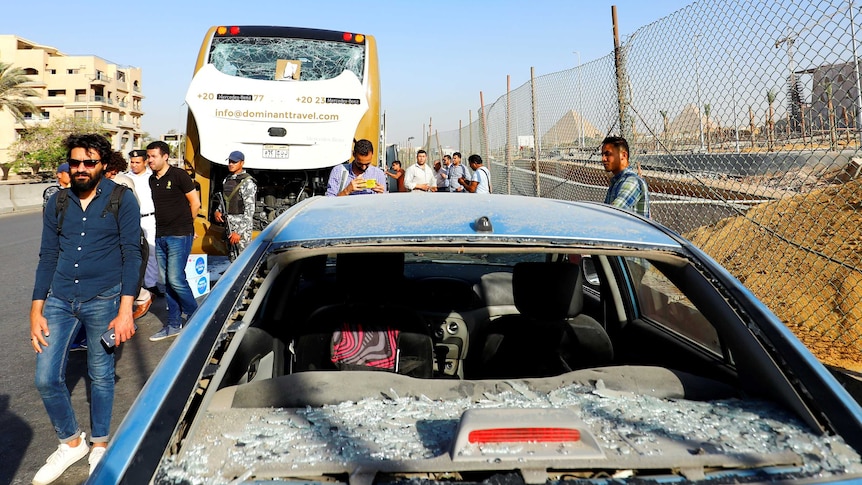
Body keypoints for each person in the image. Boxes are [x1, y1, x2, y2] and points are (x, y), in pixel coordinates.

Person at [30, 133, 142, 483]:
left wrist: (126, 310)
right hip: (61, 300)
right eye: (75, 162)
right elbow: (48, 255)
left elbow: (132, 254)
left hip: (104, 299)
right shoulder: (58, 202)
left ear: (103, 165)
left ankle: (100, 444)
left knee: (101, 375)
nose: (80, 169)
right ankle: (72, 442)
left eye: (88, 163)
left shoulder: (122, 199)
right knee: (46, 377)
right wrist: (36, 310)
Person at [147, 140, 201, 341]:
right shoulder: (153, 179)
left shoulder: (179, 175)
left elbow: (195, 203)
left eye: (153, 156)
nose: (149, 160)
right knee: (167, 282)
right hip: (161, 235)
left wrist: (188, 226)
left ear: (165, 156)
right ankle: (174, 324)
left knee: (176, 279)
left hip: (180, 234)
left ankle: (197, 316)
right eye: (148, 156)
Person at [105, 151, 152, 320]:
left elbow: (132, 209)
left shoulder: (122, 183)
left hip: (125, 233)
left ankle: (141, 297)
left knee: (126, 272)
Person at [127, 149, 162, 298]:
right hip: (131, 219)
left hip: (149, 219)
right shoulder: (125, 178)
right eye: (132, 162)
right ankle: (134, 286)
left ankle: (151, 285)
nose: (134, 165)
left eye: (137, 162)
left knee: (151, 252)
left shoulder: (152, 177)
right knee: (132, 252)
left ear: (145, 162)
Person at [213, 150, 257, 261]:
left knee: (243, 260)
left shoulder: (247, 182)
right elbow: (225, 200)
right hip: (229, 225)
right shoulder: (227, 180)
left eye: (234, 162)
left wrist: (239, 232)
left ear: (242, 163)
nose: (231, 164)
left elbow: (249, 210)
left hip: (241, 229)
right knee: (232, 259)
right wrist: (218, 211)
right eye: (230, 162)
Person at [600, 136, 650, 218]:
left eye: (608, 154)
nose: (603, 159)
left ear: (623, 155)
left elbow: (611, 214)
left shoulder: (632, 181)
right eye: (602, 155)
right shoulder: (617, 181)